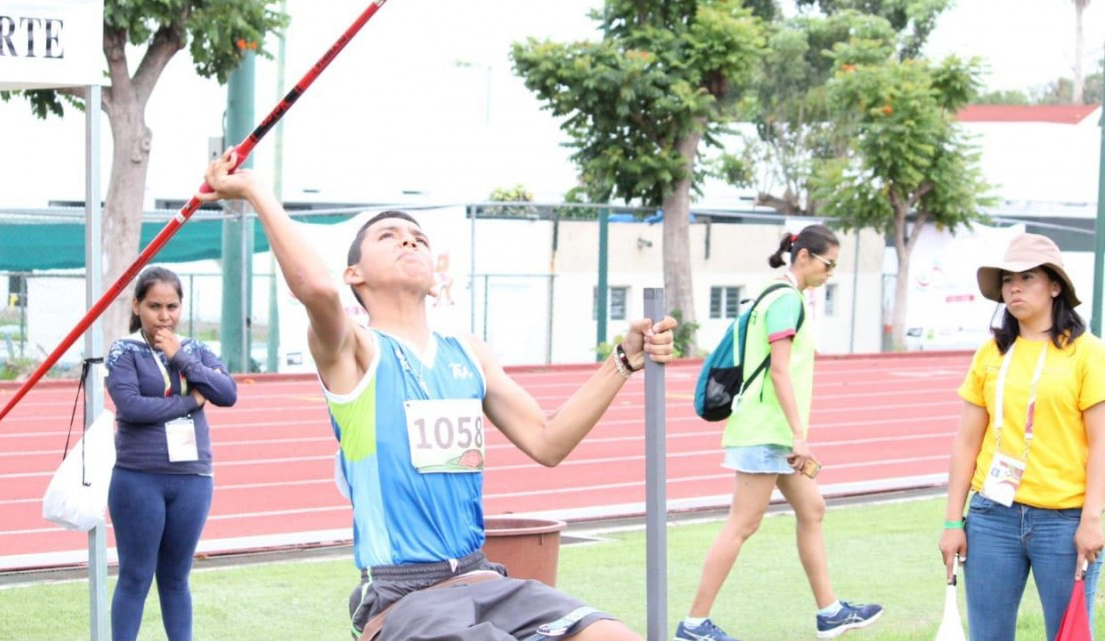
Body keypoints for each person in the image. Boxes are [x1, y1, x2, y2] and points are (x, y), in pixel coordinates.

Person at [198, 148, 677, 641]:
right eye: (389, 236)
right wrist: (254, 190)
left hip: (483, 577)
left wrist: (622, 360)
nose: (409, 239)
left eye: (418, 238)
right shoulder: (354, 351)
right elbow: (316, 290)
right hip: (405, 596)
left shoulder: (468, 354)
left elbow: (549, 440)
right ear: (354, 275)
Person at [674, 225, 882, 641]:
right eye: (828, 264)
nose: (830, 273)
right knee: (742, 525)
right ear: (803, 256)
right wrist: (799, 434)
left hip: (772, 432)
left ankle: (830, 612)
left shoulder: (775, 292)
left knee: (812, 508)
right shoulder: (786, 301)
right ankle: (694, 625)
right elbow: (781, 370)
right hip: (766, 432)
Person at [938, 232, 1105, 641]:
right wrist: (952, 521)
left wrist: (1092, 520)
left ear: (1054, 287)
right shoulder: (990, 353)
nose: (1014, 287)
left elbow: (1101, 442)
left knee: (1067, 636)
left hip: (1064, 523)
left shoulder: (1087, 353)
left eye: (1027, 277)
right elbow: (965, 442)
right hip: (992, 518)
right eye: (1007, 280)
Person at [105, 266, 238, 641]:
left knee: (176, 577)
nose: (164, 316)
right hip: (138, 478)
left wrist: (180, 357)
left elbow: (227, 394)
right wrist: (191, 401)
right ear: (136, 305)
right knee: (135, 575)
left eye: (172, 307)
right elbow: (131, 407)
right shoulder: (124, 350)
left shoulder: (194, 349)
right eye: (154, 306)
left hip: (192, 479)